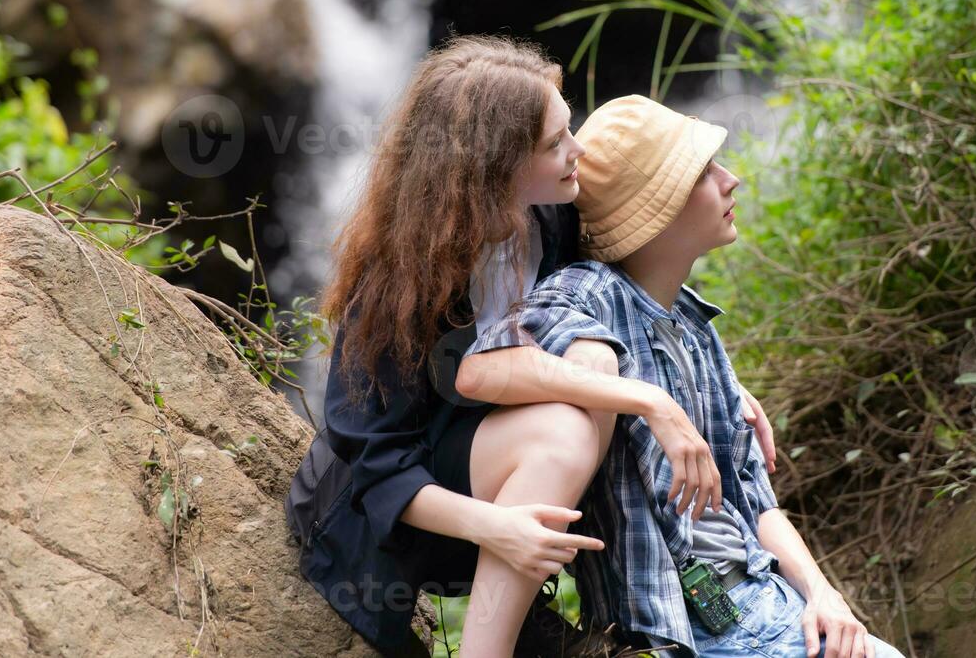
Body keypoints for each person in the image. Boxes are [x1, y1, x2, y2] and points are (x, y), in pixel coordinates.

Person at [299, 36, 780, 656]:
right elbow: (378, 463)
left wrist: (717, 384)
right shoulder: (401, 277)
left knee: (596, 359)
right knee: (565, 427)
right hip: (409, 515)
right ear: (495, 167)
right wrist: (500, 528)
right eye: (555, 144)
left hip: (514, 480)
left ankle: (625, 614)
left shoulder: (551, 216)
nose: (577, 151)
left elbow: (626, 306)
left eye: (569, 129)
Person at [456, 95, 908, 658]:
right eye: (704, 172)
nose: (732, 179)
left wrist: (822, 593)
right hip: (687, 628)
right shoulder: (590, 293)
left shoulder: (697, 327)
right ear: (656, 207)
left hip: (767, 601)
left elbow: (756, 502)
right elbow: (482, 366)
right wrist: (649, 399)